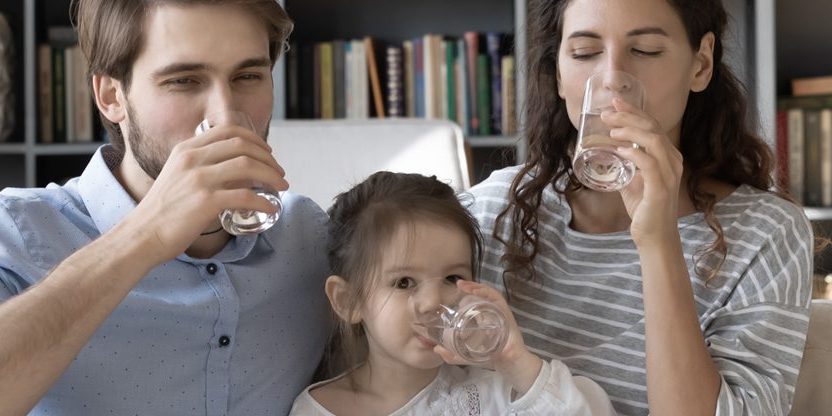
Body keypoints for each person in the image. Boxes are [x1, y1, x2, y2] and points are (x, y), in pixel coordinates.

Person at [468, 0, 814, 415]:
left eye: (645, 50)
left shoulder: (765, 233)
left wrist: (659, 240)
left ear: (701, 64)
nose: (612, 78)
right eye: (584, 53)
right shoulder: (494, 211)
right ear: (559, 73)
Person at [0, 1, 331, 414]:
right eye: (184, 81)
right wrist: (145, 235)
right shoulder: (15, 233)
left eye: (247, 76)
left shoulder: (310, 237)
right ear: (111, 96)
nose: (225, 117)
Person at [289, 171, 618, 416]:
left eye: (452, 277)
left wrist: (515, 361)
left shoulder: (494, 395)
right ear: (348, 301)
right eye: (404, 282)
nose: (434, 301)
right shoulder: (317, 409)